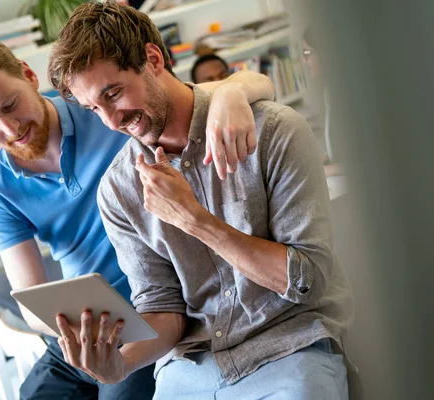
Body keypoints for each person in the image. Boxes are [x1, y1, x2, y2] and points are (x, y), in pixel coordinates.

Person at [0, 31, 276, 399]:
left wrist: (230, 93)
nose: (10, 128)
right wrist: (76, 331)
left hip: (159, 309)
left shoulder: (100, 107)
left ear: (28, 75)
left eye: (10, 105)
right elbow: (30, 299)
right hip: (86, 327)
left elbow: (255, 83)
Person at [48, 2, 354, 399]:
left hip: (289, 347)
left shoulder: (274, 132)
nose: (111, 121)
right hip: (193, 368)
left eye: (114, 94)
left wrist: (195, 220)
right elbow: (163, 309)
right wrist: (119, 364)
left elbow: (308, 280)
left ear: (153, 59)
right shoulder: (119, 189)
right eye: (93, 108)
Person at [303, 25, 344, 177]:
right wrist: (329, 157)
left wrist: (329, 170)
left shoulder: (349, 93)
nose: (304, 59)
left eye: (307, 52)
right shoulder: (331, 90)